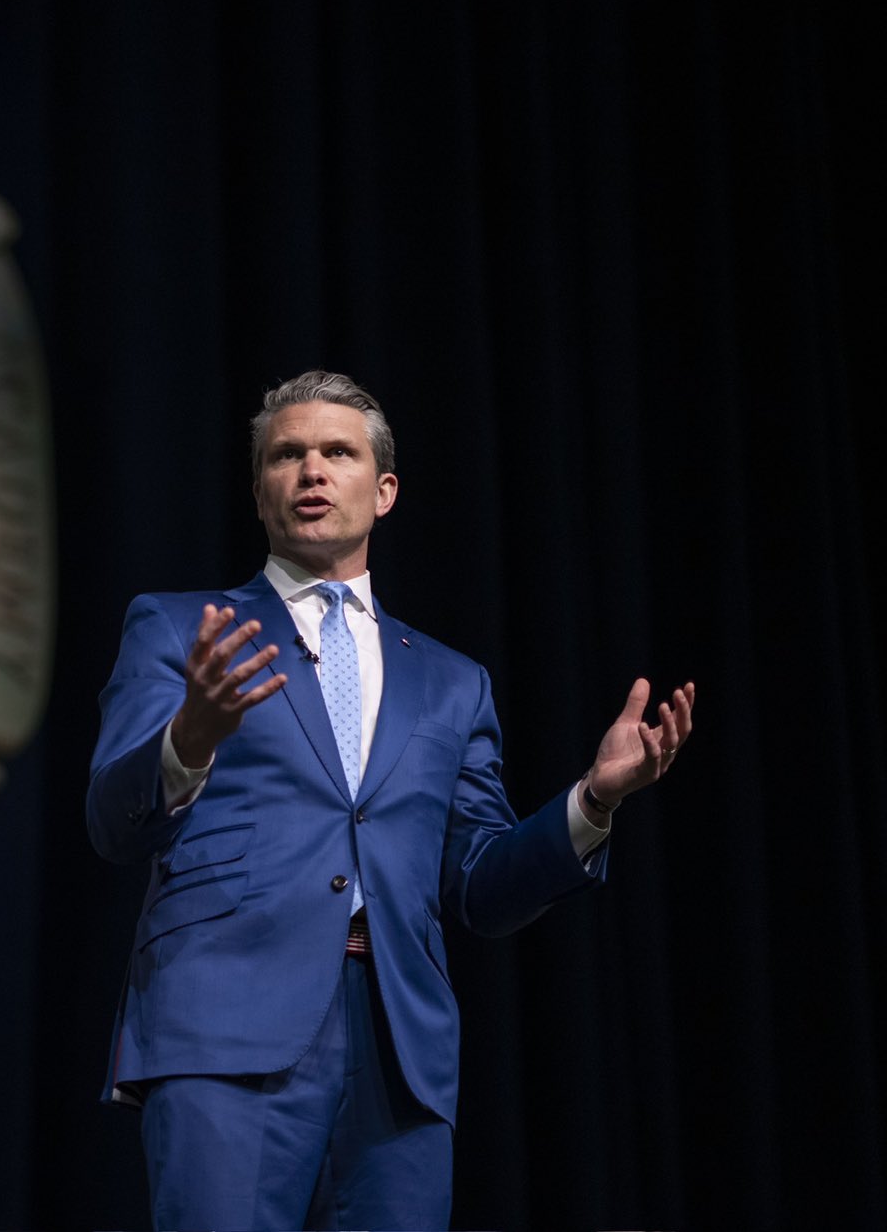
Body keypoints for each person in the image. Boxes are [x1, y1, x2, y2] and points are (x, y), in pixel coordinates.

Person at [86, 370, 693, 1231]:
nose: (312, 471)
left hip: (400, 1048)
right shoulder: (184, 627)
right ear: (259, 492)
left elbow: (481, 888)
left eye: (338, 453)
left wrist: (592, 802)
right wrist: (190, 735)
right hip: (225, 1024)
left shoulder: (451, 681)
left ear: (385, 490)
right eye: (286, 456)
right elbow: (112, 823)